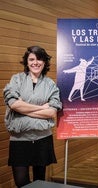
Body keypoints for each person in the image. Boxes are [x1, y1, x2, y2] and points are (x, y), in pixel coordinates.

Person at [3, 46, 62, 187]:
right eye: (32, 59)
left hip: (42, 139)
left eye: (39, 59)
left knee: (39, 183)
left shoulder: (50, 84)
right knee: (21, 182)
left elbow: (52, 112)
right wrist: (42, 108)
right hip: (19, 139)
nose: (35, 62)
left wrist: (24, 108)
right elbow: (14, 105)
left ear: (44, 62)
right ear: (27, 62)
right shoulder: (16, 80)